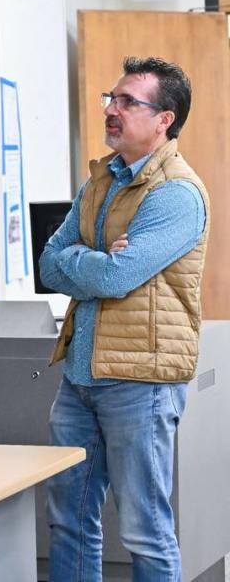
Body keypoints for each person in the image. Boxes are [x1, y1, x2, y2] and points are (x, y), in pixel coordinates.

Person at [40, 56, 208, 580]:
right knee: (68, 519)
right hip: (81, 375)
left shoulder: (176, 193)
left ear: (164, 118)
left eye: (128, 102)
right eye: (111, 99)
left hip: (141, 382)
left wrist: (91, 264)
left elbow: (116, 278)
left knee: (143, 529)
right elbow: (49, 261)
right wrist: (96, 260)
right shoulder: (100, 180)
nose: (112, 110)